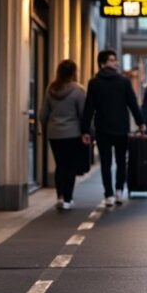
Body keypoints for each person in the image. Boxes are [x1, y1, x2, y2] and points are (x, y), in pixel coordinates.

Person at [81, 50, 146, 207]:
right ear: (103, 63)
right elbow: (132, 103)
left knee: (106, 163)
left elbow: (89, 108)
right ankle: (118, 192)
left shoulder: (94, 82)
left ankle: (109, 194)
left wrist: (85, 130)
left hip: (102, 128)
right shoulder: (123, 82)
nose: (115, 63)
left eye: (115, 60)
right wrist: (140, 122)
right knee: (121, 161)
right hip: (120, 128)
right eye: (112, 60)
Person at [41, 59, 86, 210]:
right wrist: (86, 132)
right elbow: (83, 114)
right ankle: (68, 198)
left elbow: (43, 114)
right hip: (72, 133)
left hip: (54, 133)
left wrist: (46, 128)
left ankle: (59, 196)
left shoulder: (51, 89)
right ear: (74, 72)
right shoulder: (79, 90)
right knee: (70, 167)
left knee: (60, 165)